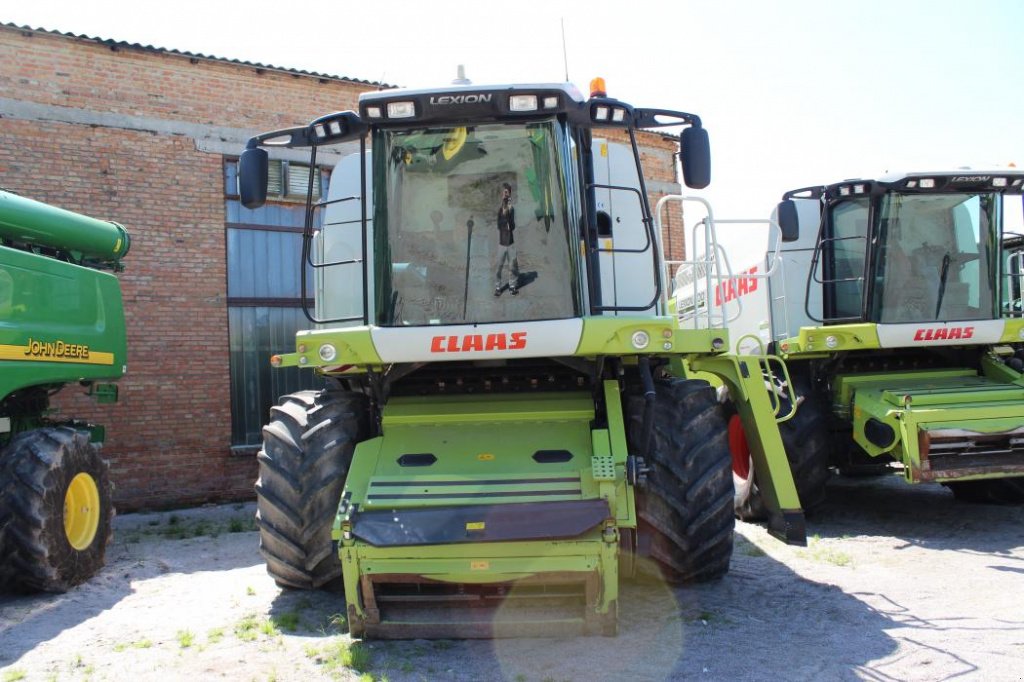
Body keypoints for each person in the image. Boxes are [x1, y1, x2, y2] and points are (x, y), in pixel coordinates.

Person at [494, 182, 520, 296]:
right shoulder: (500, 209)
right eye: (504, 192)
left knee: (513, 266)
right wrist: (504, 214)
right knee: (499, 266)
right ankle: (498, 287)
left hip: (511, 243)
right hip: (502, 243)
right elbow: (499, 225)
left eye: (507, 192)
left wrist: (509, 215)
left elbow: (513, 226)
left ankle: (512, 286)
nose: (506, 194)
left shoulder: (511, 209)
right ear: (502, 194)